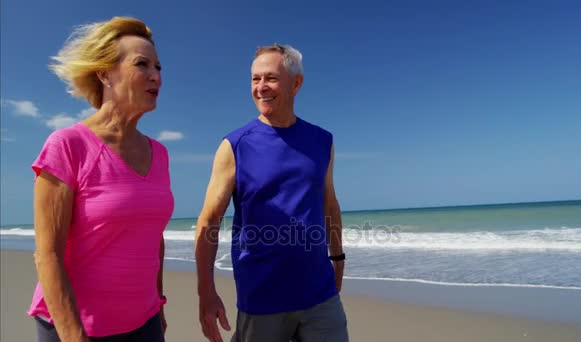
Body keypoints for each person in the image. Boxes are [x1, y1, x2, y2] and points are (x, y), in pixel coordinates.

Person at [28, 17, 172, 341]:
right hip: (77, 327)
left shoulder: (160, 154)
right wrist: (73, 335)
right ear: (105, 72)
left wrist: (159, 304)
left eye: (159, 67)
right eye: (142, 64)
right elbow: (47, 254)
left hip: (145, 323)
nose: (156, 76)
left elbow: (153, 237)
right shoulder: (67, 145)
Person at [195, 44, 348, 342]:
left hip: (320, 294)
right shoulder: (235, 145)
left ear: (296, 83)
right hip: (261, 300)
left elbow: (329, 205)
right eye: (255, 79)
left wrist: (338, 258)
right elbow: (209, 220)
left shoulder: (322, 141)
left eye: (271, 78)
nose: (261, 87)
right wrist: (206, 291)